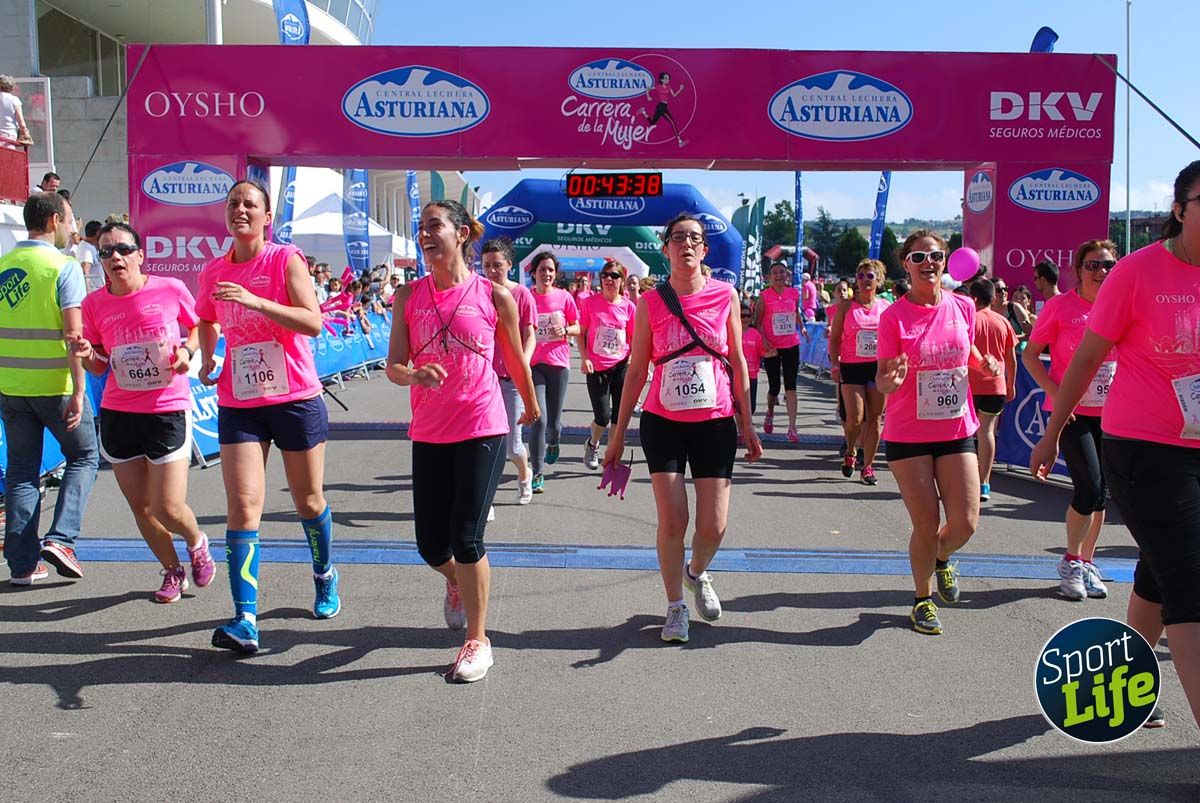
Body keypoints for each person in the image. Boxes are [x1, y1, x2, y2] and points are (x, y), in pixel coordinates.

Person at [1032, 161, 1200, 729]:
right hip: (1144, 447)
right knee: (1190, 584)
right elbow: (1084, 358)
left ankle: (1121, 683)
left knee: (1159, 570)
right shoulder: (1136, 273)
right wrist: (1052, 431)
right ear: (1180, 209)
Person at [386, 200, 539, 682]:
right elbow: (393, 365)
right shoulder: (408, 296)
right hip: (430, 429)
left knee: (467, 537)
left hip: (483, 425)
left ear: (462, 233)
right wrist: (413, 374)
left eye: (435, 226)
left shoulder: (495, 296)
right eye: (421, 228)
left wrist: (532, 407)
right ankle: (456, 582)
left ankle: (478, 640)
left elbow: (514, 357)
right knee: (431, 545)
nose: (425, 235)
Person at [603, 213, 762, 643]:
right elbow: (637, 370)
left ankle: (696, 572)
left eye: (695, 238)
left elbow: (738, 361)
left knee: (713, 525)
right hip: (663, 421)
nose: (687, 244)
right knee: (674, 518)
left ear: (705, 250)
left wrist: (747, 421)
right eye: (678, 238)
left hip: (714, 420)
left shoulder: (725, 295)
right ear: (666, 248)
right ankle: (675, 607)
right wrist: (617, 435)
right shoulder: (650, 303)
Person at [196, 179, 338, 654]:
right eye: (233, 203)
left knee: (308, 502)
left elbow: (313, 321)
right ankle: (245, 619)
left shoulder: (284, 259)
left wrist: (257, 302)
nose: (240, 209)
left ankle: (324, 574)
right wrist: (207, 358)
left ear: (266, 215)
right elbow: (206, 317)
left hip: (294, 396)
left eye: (249, 203)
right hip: (240, 399)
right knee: (242, 506)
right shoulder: (214, 270)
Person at [76, 222, 215, 602]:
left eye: (122, 249)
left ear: (140, 254)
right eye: (106, 251)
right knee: (141, 506)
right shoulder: (94, 304)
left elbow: (200, 326)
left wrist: (187, 353)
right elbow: (100, 364)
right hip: (120, 412)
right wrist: (87, 355)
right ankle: (172, 571)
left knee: (167, 506)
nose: (115, 257)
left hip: (166, 409)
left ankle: (196, 540)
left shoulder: (169, 288)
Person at [876, 230, 1000, 636]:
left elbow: (969, 351)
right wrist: (890, 382)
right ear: (906, 265)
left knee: (965, 523)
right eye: (918, 257)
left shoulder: (963, 306)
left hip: (957, 428)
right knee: (926, 524)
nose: (928, 262)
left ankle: (941, 557)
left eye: (935, 255)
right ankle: (922, 600)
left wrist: (986, 365)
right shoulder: (893, 316)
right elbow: (883, 378)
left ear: (944, 261)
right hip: (909, 433)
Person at [0, 192, 98, 585]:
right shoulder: (63, 267)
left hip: (11, 385)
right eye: (70, 220)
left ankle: (22, 565)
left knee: (22, 473)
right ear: (55, 220)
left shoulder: (4, 265)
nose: (72, 227)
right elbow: (74, 335)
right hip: (55, 384)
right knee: (85, 456)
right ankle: (61, 539)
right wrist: (79, 389)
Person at [1024, 239, 1118, 601]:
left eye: (1107, 265)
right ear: (1078, 270)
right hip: (1071, 414)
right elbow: (1031, 355)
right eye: (1093, 265)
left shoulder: (1120, 306)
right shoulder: (1060, 307)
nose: (1101, 272)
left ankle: (1087, 562)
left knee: (1102, 495)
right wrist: (1054, 392)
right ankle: (1071, 561)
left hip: (1113, 414)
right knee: (1089, 488)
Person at [481, 236, 537, 503]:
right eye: (487, 265)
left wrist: (522, 363)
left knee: (513, 447)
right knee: (486, 443)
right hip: (484, 381)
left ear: (509, 265)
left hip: (512, 379)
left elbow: (530, 334)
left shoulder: (521, 294)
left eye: (498, 265)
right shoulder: (478, 291)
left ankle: (525, 475)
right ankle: (485, 499)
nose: (492, 271)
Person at [828, 259, 890, 485]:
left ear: (878, 280)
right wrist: (835, 365)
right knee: (855, 417)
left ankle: (869, 467)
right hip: (852, 367)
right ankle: (851, 450)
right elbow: (834, 339)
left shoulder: (885, 306)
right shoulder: (846, 307)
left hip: (877, 367)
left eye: (870, 276)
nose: (864, 280)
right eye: (861, 275)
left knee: (875, 419)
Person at [577, 259, 636, 470]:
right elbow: (581, 334)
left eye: (614, 276)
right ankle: (593, 443)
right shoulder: (590, 303)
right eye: (605, 276)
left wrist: (633, 360)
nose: (609, 280)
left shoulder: (629, 307)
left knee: (618, 417)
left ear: (622, 281)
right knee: (602, 417)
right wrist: (584, 358)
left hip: (621, 365)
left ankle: (612, 456)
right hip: (597, 366)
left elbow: (634, 338)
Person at [527, 251, 579, 493]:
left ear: (555, 274)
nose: (546, 274)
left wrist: (566, 329)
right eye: (542, 269)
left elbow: (578, 327)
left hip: (558, 364)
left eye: (550, 270)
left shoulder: (564, 297)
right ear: (534, 273)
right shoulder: (526, 297)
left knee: (554, 423)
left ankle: (554, 441)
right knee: (539, 418)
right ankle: (537, 473)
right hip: (533, 364)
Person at [969, 279, 1017, 502]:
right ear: (993, 297)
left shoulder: (970, 320)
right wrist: (1011, 384)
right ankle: (984, 482)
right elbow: (1012, 359)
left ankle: (966, 481)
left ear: (974, 298)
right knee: (987, 432)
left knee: (966, 435)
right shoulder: (1003, 322)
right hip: (996, 385)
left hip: (970, 384)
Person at [754, 261, 803, 442]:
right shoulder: (764, 296)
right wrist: (765, 340)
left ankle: (792, 427)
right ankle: (770, 412)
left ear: (787, 275)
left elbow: (795, 313)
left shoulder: (794, 293)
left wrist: (802, 328)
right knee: (774, 386)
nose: (779, 275)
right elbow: (757, 322)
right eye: (775, 272)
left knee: (791, 385)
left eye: (781, 272)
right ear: (769, 277)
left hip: (791, 344)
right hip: (772, 347)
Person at [637, 71, 686, 147]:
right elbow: (648, 88)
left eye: (668, 78)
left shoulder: (669, 87)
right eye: (666, 78)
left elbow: (674, 95)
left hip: (664, 106)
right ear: (662, 79)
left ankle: (643, 112)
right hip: (661, 106)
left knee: (653, 123)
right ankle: (680, 141)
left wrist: (680, 89)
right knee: (672, 123)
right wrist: (648, 97)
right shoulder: (658, 87)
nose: (668, 80)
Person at [740, 305, 766, 415]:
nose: (745, 318)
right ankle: (742, 427)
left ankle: (747, 423)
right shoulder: (732, 331)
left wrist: (771, 352)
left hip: (751, 374)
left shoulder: (755, 334)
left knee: (752, 405)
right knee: (737, 403)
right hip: (737, 374)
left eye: (748, 316)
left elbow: (762, 351)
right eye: (742, 316)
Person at [992, 278, 1032, 349]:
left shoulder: (1015, 308)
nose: (1003, 292)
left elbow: (1031, 335)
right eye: (999, 290)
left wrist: (1011, 339)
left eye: (1005, 289)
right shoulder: (988, 310)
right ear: (991, 292)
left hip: (1018, 355)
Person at [0, 74, 32, 148]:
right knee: (7, 159)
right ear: (12, 87)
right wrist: (25, 133)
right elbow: (21, 123)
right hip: (8, 138)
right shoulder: (14, 100)